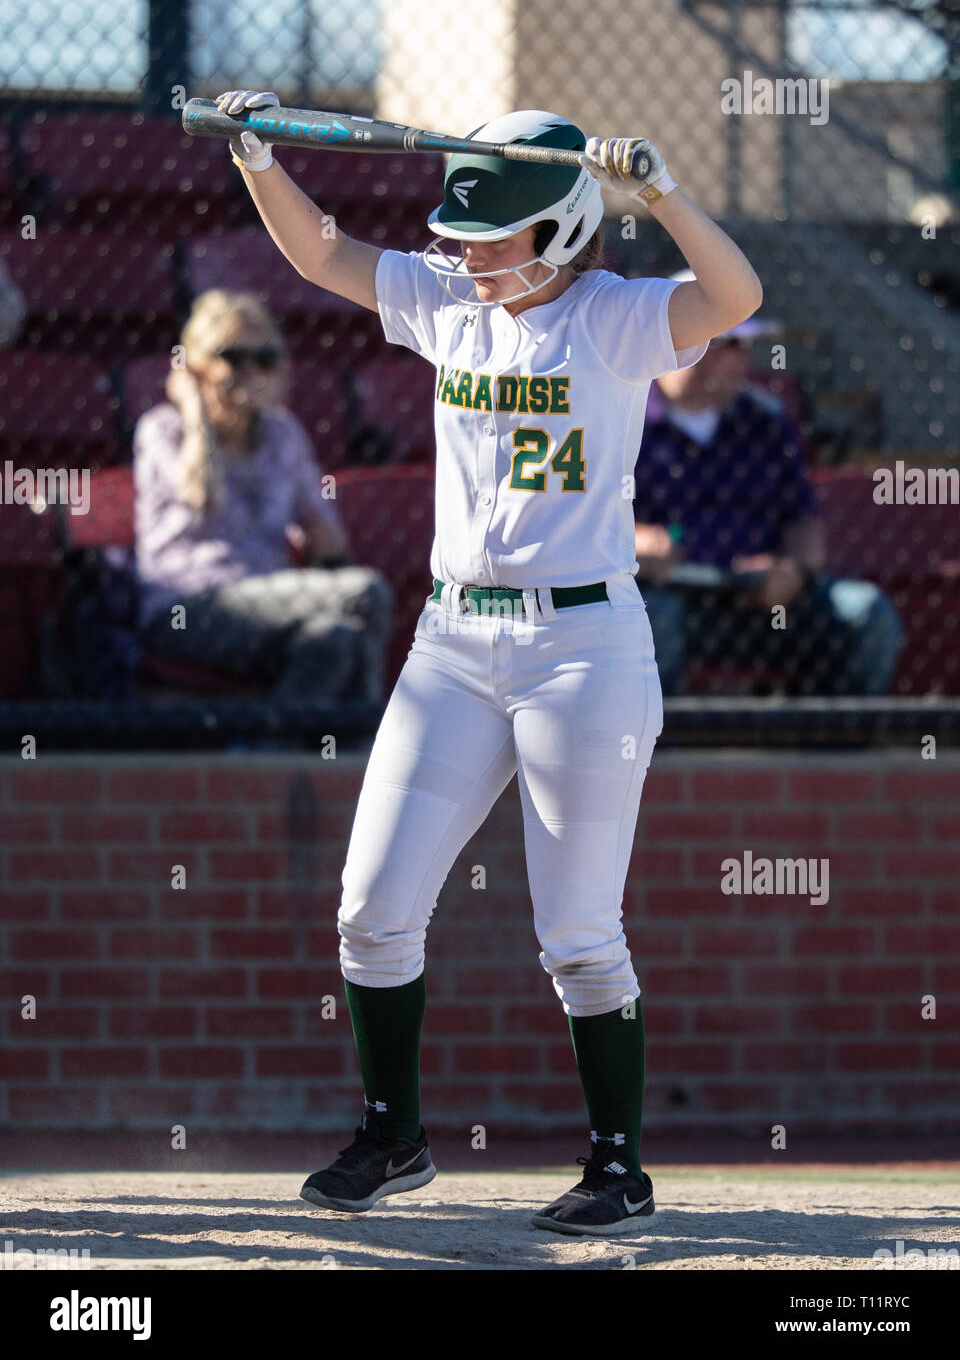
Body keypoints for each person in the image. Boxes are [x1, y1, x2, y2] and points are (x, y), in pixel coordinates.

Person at [216, 88, 761, 1236]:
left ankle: (618, 1166)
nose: (463, 256)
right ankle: (393, 1134)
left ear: (562, 230)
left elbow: (735, 296)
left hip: (584, 650)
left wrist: (656, 188)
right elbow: (320, 252)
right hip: (453, 641)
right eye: (457, 235)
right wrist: (255, 150)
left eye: (491, 236)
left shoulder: (611, 316)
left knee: (577, 933)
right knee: (370, 910)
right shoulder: (449, 302)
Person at [633, 280, 903, 696]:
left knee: (866, 613)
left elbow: (803, 521)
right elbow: (574, 514)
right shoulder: (622, 416)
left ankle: (839, 752)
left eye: (745, 346)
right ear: (681, 343)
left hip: (762, 600)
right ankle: (653, 756)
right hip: (667, 597)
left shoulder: (765, 421)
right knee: (649, 619)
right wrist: (634, 543)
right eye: (729, 344)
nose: (742, 359)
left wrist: (794, 571)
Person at [134, 288, 392, 706]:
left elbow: (331, 543)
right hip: (185, 609)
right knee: (366, 593)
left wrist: (319, 536)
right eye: (233, 358)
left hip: (272, 600)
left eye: (264, 360)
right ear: (195, 366)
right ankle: (375, 745)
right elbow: (202, 495)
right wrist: (195, 410)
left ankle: (271, 753)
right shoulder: (164, 428)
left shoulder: (283, 432)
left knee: (335, 637)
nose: (250, 372)